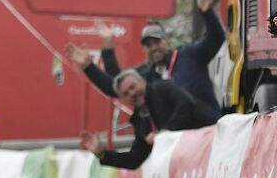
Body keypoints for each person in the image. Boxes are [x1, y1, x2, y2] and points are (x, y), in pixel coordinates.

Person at [66, 0, 225, 113]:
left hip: (207, 132)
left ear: (167, 42)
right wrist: (89, 65)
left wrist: (207, 13)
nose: (153, 47)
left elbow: (216, 39)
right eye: (148, 45)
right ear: (144, 49)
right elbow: (114, 86)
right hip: (175, 141)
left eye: (157, 42)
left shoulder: (189, 55)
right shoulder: (145, 76)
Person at [80, 69, 220, 169]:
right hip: (199, 162)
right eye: (127, 93)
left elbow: (186, 104)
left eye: (133, 87)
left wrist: (164, 135)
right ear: (124, 99)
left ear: (142, 81)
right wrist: (102, 154)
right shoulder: (140, 120)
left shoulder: (163, 88)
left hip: (218, 142)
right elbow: (134, 159)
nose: (132, 93)